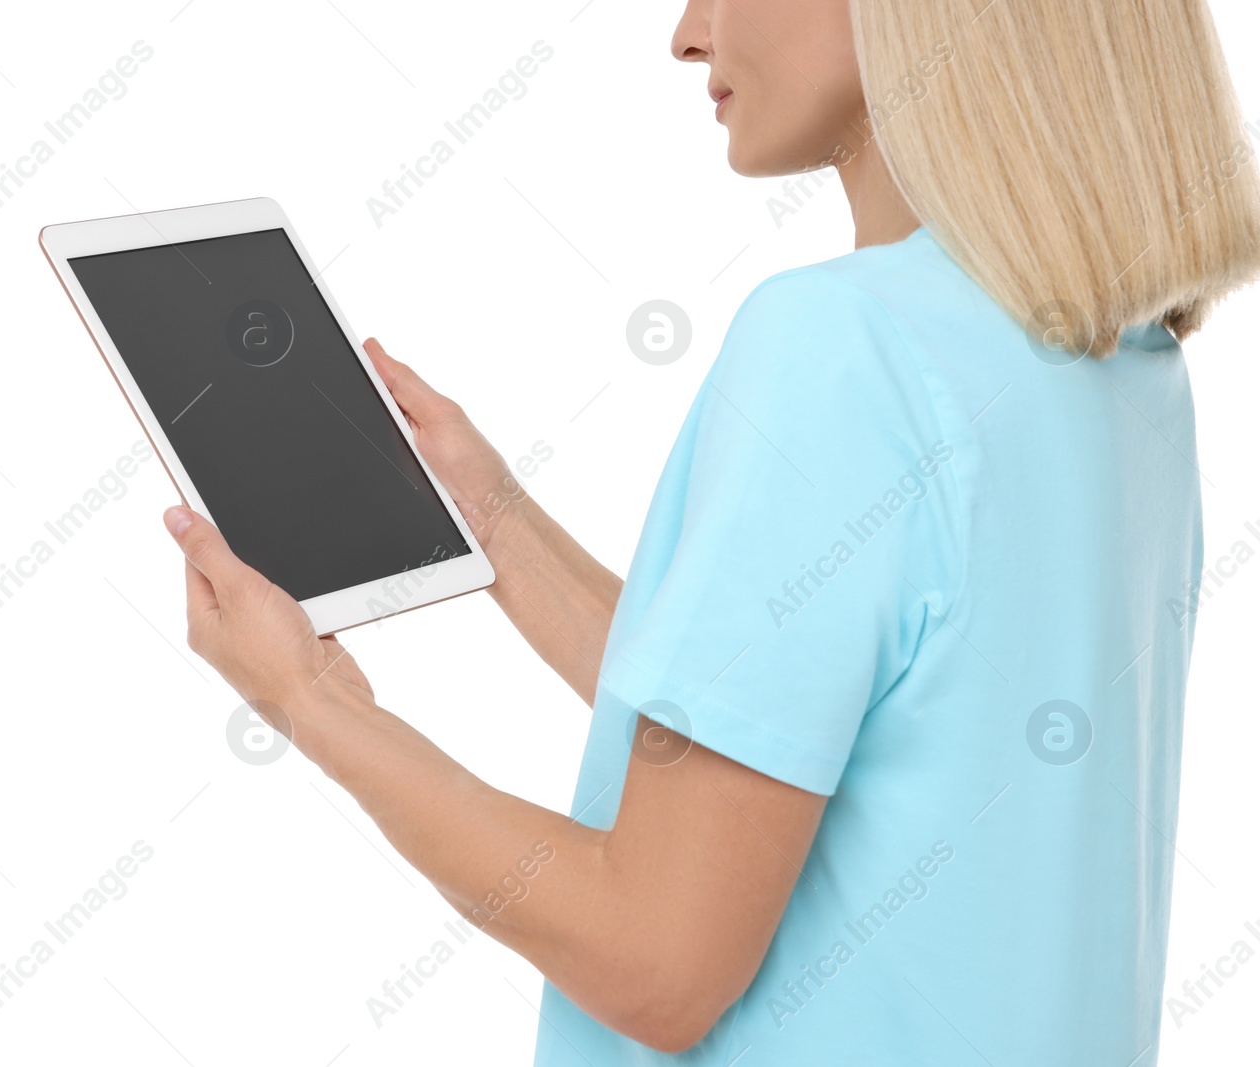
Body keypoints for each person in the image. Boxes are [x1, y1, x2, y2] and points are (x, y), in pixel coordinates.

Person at [160, 0, 1260, 1061]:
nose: (688, 34)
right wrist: (490, 516)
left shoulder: (842, 344)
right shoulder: (1112, 358)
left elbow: (658, 965)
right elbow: (771, 734)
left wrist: (310, 700)